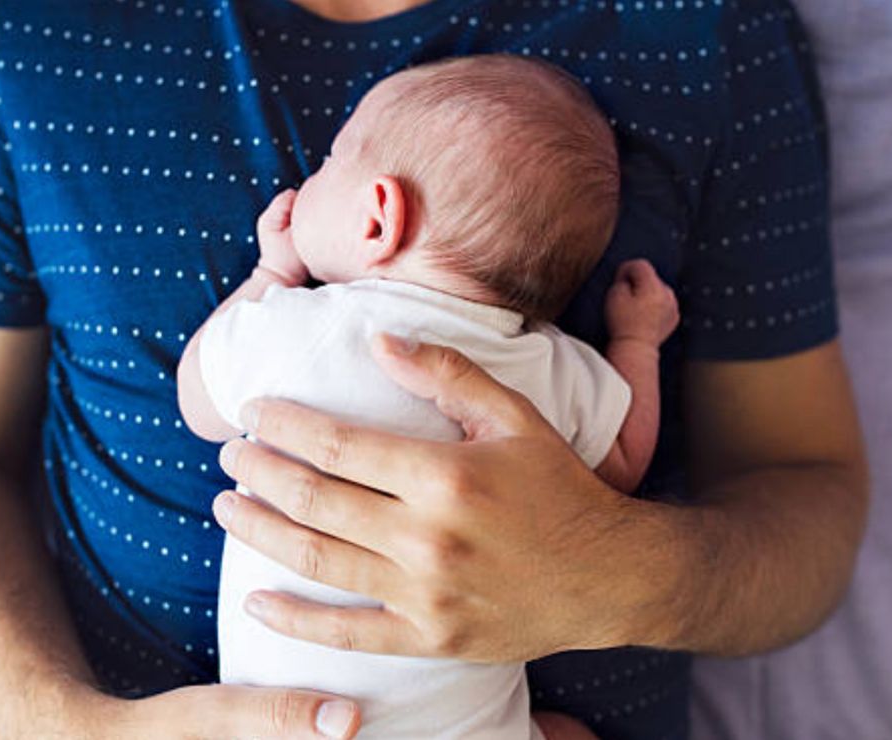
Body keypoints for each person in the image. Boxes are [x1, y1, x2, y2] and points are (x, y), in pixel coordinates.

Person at [0, 1, 867, 738]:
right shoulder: (25, 26)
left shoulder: (704, 29)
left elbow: (803, 486)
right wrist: (55, 724)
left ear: (377, 215)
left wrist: (614, 578)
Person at [178, 55, 678, 739]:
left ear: (377, 220)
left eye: (330, 163)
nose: (310, 179)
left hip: (292, 725)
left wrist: (271, 274)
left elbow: (197, 404)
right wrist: (638, 342)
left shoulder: (300, 329)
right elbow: (621, 465)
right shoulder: (547, 367)